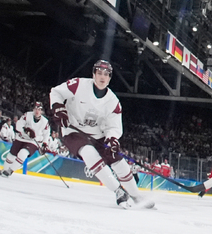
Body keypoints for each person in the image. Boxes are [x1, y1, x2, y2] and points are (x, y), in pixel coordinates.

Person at [50, 60, 154, 209]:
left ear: (110, 78)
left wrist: (112, 139)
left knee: (119, 162)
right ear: (93, 74)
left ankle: (136, 196)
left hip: (97, 135)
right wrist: (59, 108)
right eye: (99, 73)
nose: (102, 77)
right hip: (73, 130)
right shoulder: (78, 84)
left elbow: (113, 126)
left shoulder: (113, 102)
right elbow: (56, 92)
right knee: (89, 152)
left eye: (106, 74)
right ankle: (118, 191)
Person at [0, 102, 50, 178]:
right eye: (35, 109)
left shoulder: (45, 122)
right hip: (21, 138)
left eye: (39, 109)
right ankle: (5, 170)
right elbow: (18, 125)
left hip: (33, 142)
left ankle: (10, 170)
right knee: (11, 156)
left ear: (41, 111)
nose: (37, 111)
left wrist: (45, 144)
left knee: (23, 153)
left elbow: (46, 134)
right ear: (33, 109)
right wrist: (25, 130)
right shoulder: (27, 115)